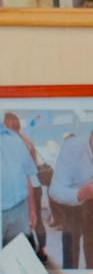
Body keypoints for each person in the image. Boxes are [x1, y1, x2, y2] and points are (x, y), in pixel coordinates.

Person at [48, 116, 93, 270]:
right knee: (71, 248)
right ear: (92, 134)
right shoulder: (72, 148)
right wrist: (80, 194)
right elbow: (55, 191)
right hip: (71, 200)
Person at [3, 112, 50, 261]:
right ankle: (42, 251)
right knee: (36, 221)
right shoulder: (24, 140)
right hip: (34, 187)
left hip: (25, 190)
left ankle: (33, 253)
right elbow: (33, 165)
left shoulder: (13, 140)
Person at [0, 113, 38, 246]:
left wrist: (32, 208)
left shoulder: (15, 139)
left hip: (20, 211)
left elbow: (27, 175)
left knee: (20, 253)